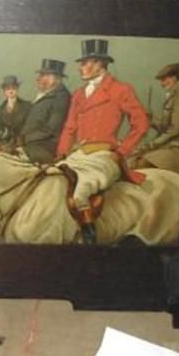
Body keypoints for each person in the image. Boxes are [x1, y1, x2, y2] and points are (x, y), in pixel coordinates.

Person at [56, 39, 149, 244]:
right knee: (54, 181)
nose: (81, 67)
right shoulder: (79, 94)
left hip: (105, 155)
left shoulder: (120, 89)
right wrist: (61, 153)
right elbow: (70, 127)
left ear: (99, 64)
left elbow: (141, 123)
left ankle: (89, 233)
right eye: (81, 63)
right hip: (79, 154)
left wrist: (122, 151)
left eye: (85, 63)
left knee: (81, 192)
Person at [132, 63, 179, 175]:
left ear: (174, 78)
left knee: (141, 164)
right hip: (169, 145)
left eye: (164, 80)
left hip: (178, 148)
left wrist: (150, 145)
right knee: (133, 161)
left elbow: (175, 130)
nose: (162, 84)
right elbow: (166, 126)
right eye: (161, 80)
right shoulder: (173, 95)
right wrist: (151, 119)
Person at [18, 59, 70, 164]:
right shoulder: (45, 94)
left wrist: (25, 139)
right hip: (31, 144)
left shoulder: (62, 97)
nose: (38, 78)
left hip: (45, 148)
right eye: (40, 75)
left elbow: (51, 129)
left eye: (43, 75)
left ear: (56, 78)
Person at [0, 75, 31, 152]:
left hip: (23, 142)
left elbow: (30, 126)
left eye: (13, 88)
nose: (11, 91)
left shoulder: (26, 105)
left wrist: (21, 140)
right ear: (4, 91)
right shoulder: (2, 108)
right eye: (8, 89)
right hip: (7, 141)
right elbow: (0, 127)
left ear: (17, 89)